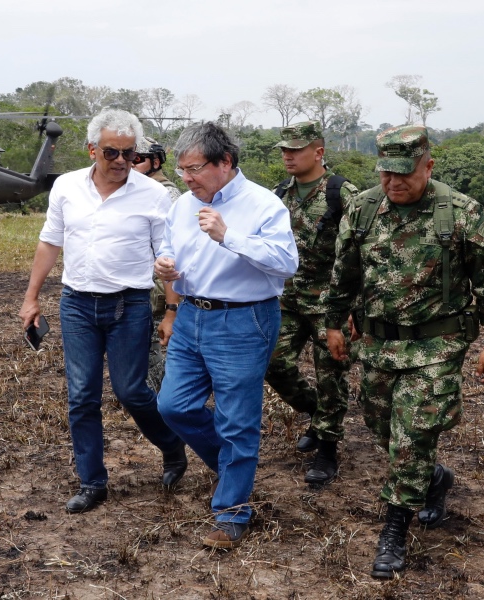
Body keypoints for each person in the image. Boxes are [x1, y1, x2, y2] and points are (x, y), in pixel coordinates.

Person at [320, 125, 484, 578]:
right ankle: (434, 479)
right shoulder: (363, 209)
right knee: (383, 427)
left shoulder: (462, 214)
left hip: (437, 344)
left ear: (428, 166)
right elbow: (343, 274)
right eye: (386, 173)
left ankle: (394, 529)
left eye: (404, 174)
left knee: (412, 436)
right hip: (377, 344)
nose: (394, 183)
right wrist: (334, 323)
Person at [19, 109, 188, 515]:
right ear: (92, 149)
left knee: (132, 391)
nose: (120, 162)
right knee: (82, 397)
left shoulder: (153, 195)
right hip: (77, 303)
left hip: (128, 304)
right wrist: (31, 297)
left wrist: (171, 311)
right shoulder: (66, 187)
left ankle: (171, 446)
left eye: (130, 154)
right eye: (111, 152)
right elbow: (49, 243)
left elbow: (165, 256)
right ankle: (92, 482)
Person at [155, 122, 298, 548]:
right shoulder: (183, 204)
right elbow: (168, 244)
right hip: (192, 315)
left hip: (243, 319)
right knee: (173, 406)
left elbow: (286, 262)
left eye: (195, 169)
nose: (187, 178)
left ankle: (232, 511)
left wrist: (228, 236)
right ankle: (234, 465)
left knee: (238, 420)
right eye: (182, 170)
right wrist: (164, 264)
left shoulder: (262, 204)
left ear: (225, 163)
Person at [264, 121, 359, 486]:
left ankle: (328, 448)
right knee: (272, 362)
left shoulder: (342, 194)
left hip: (329, 303)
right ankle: (318, 416)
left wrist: (352, 307)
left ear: (318, 152)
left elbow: (360, 253)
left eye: (296, 149)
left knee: (331, 375)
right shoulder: (278, 194)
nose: (288, 155)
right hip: (287, 299)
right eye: (284, 150)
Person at [133, 136, 181, 392]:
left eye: (138, 159)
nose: (131, 164)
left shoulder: (166, 193)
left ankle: (168, 405)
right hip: (144, 283)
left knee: (156, 349)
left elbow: (173, 248)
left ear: (155, 161)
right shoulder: (137, 189)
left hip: (161, 286)